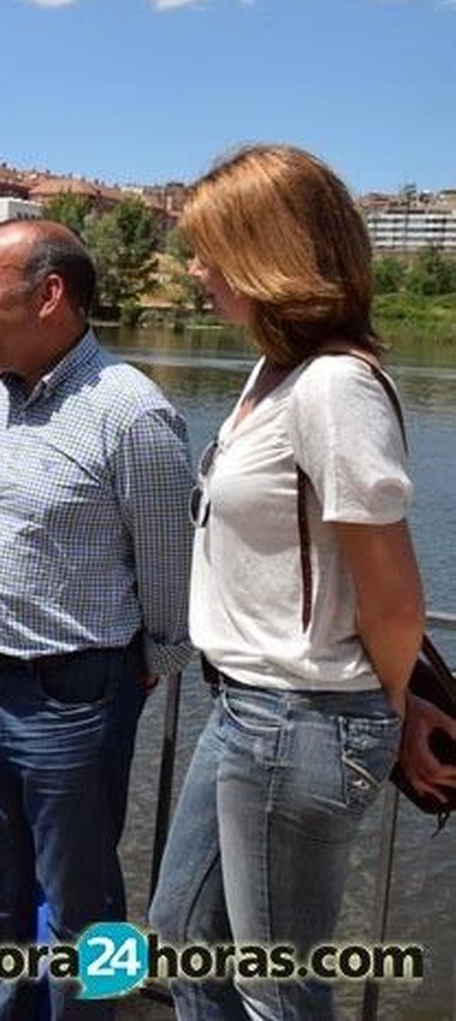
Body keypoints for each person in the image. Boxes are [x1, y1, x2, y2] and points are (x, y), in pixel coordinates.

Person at [147, 145, 456, 1018]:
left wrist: (383, 713)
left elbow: (392, 595)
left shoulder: (335, 388)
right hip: (252, 707)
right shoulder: (274, 373)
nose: (198, 268)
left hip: (300, 721)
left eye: (211, 248)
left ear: (265, 253)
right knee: (184, 944)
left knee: (278, 993)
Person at [0, 220, 193, 1018]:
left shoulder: (132, 414)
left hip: (71, 701)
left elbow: (168, 575)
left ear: (49, 296)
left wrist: (145, 664)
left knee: (85, 915)